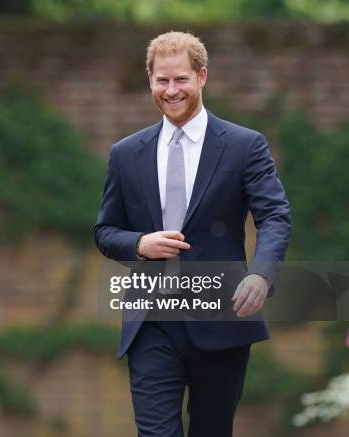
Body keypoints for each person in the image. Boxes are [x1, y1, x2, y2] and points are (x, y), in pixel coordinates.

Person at [94, 31, 291, 437]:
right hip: (152, 321)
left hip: (221, 316)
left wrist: (261, 273)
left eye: (180, 79)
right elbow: (105, 231)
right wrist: (138, 244)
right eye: (161, 80)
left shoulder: (244, 146)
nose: (171, 90)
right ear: (149, 80)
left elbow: (275, 215)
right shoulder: (126, 153)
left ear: (202, 76)